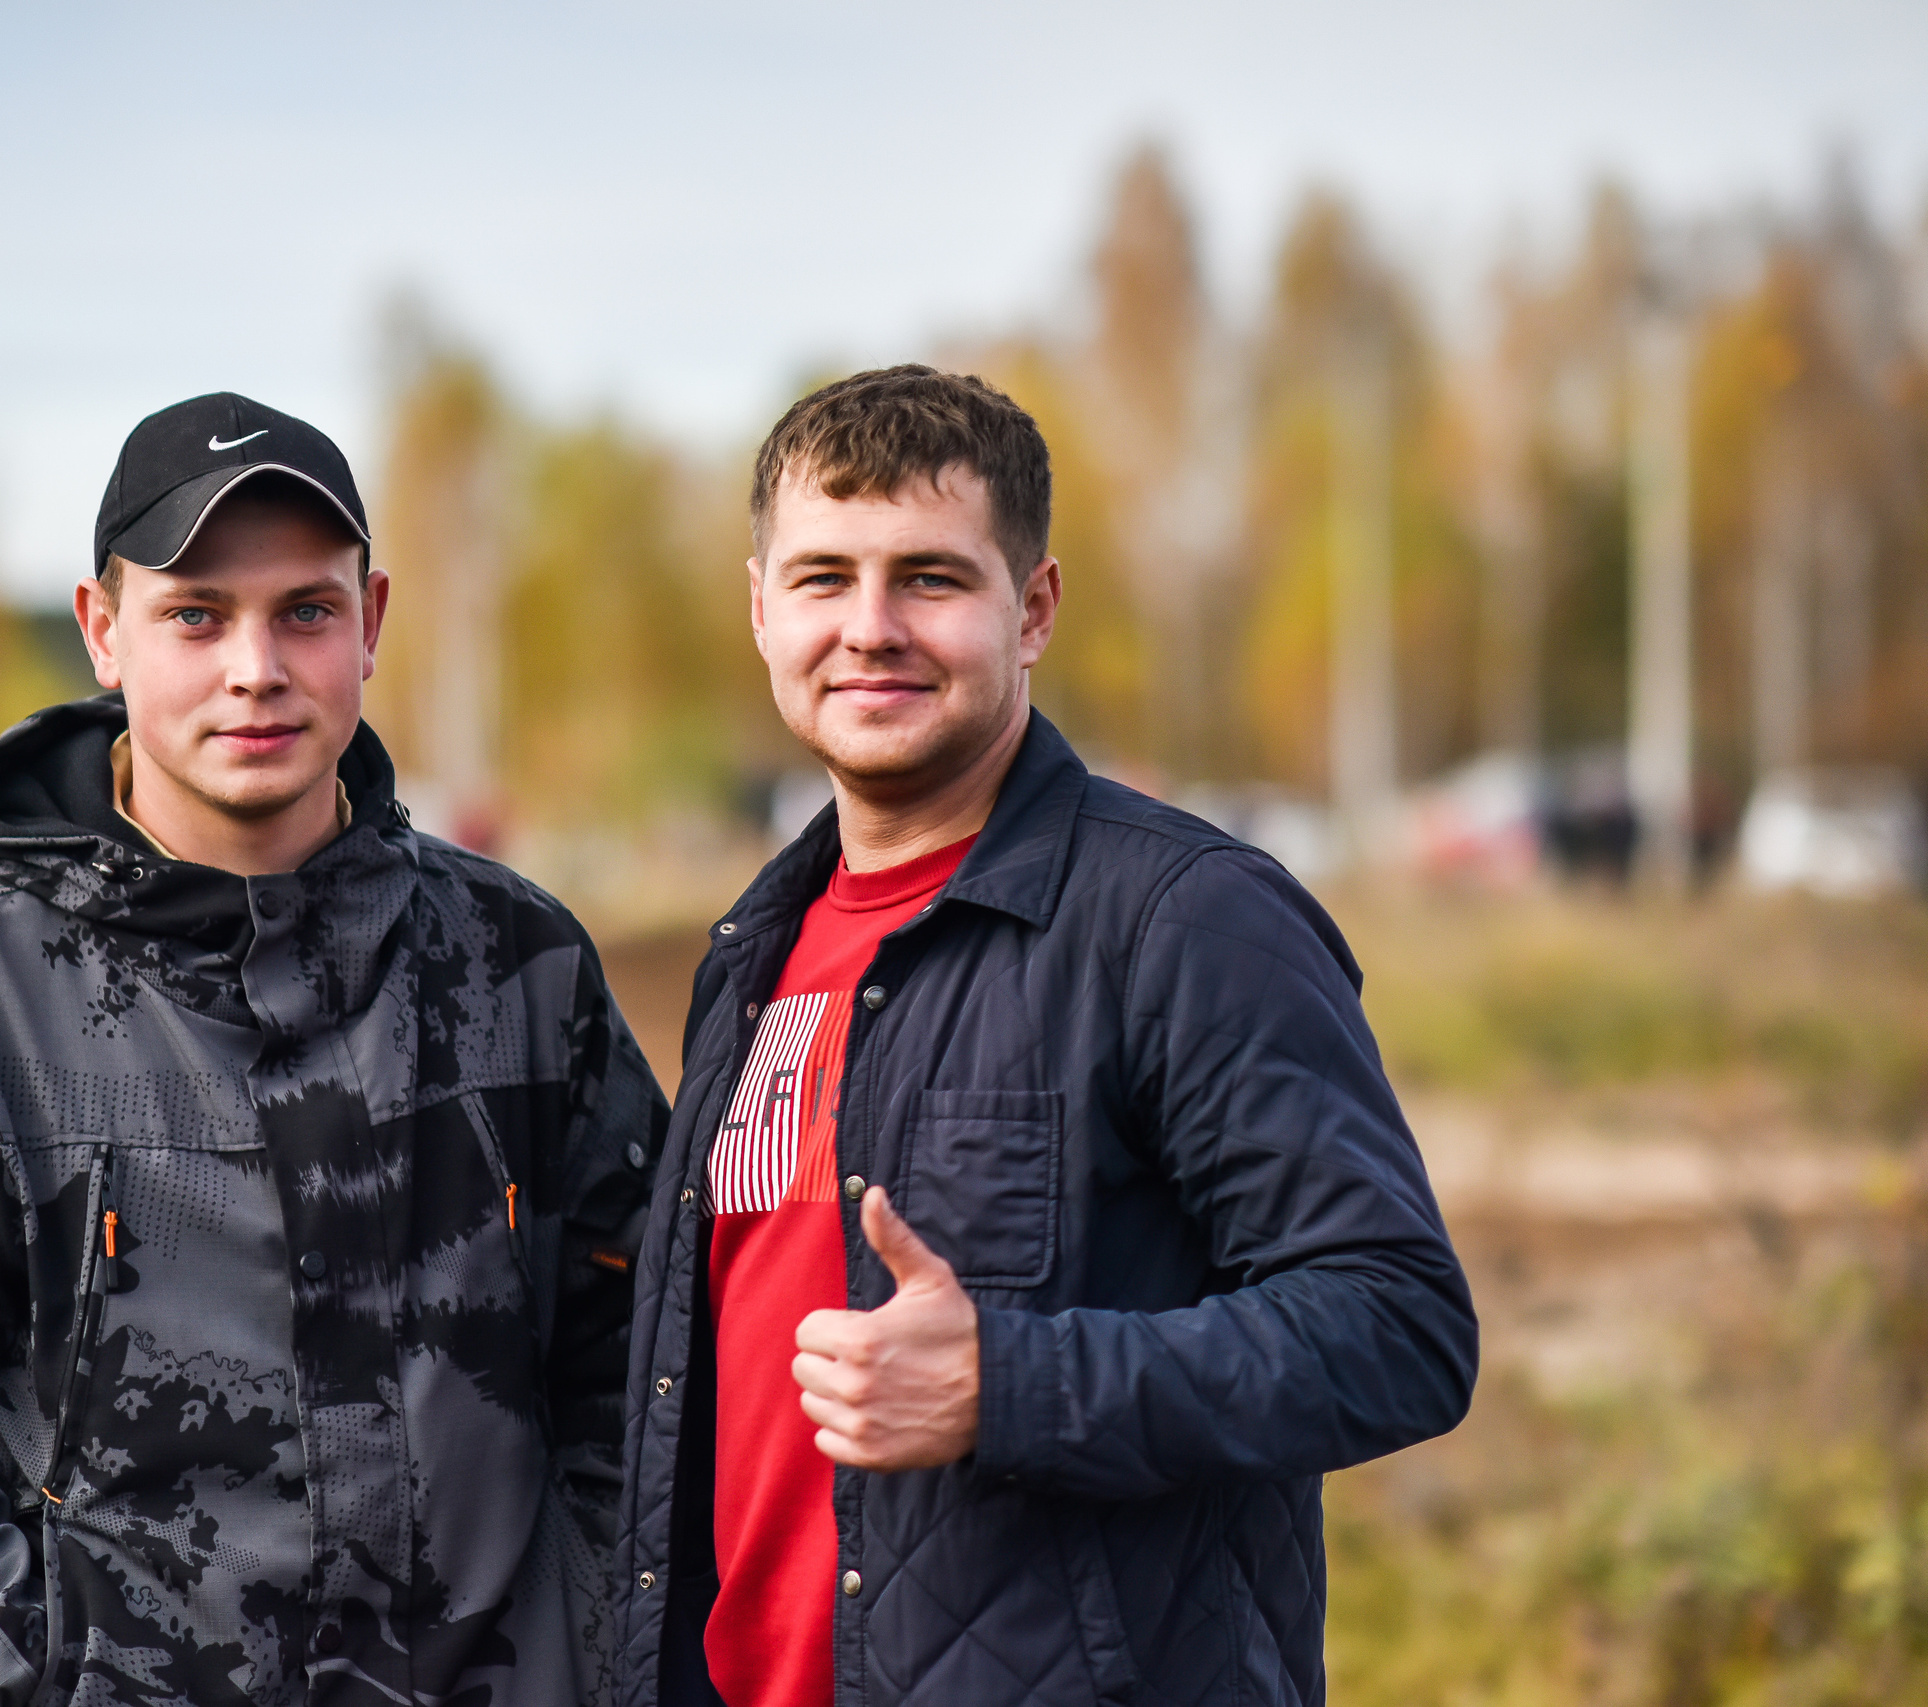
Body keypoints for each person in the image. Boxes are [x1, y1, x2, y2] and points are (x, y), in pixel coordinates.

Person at [0, 393, 666, 1707]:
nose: (255, 666)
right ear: (104, 631)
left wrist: (593, 1651)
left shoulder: (521, 969)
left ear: (372, 623)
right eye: (197, 614)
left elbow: (646, 1361)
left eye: (305, 612)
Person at [613, 366, 1476, 1707]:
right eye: (824, 577)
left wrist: (1008, 1385)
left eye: (933, 580)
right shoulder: (753, 955)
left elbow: (1396, 1326)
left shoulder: (1184, 923)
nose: (872, 627)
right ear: (760, 608)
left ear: (1034, 611)